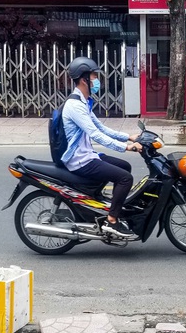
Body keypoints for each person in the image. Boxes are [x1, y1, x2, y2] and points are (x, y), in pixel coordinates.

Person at [61, 56, 143, 238]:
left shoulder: (83, 102)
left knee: (124, 167)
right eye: (94, 77)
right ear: (84, 80)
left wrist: (128, 136)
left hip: (88, 154)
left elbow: (101, 127)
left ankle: (109, 207)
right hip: (80, 160)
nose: (97, 81)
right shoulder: (74, 105)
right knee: (125, 178)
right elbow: (95, 134)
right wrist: (127, 147)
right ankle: (112, 220)